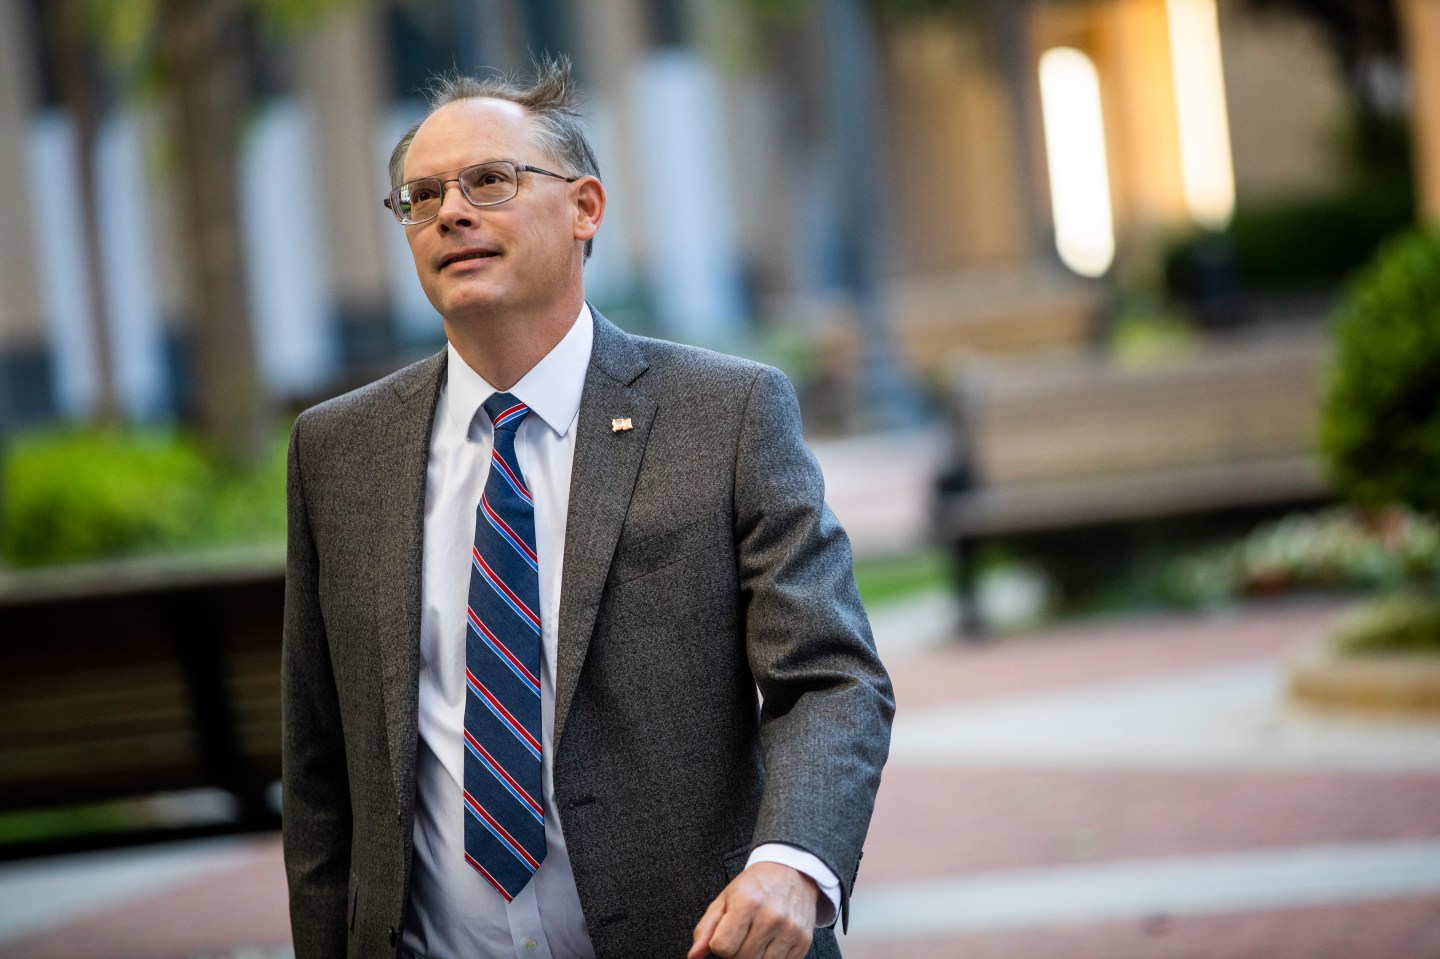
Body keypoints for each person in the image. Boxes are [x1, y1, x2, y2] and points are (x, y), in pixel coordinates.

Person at [281, 56, 893, 959]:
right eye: (420, 197)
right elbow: (320, 762)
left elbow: (832, 677)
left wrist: (793, 860)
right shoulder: (338, 450)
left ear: (585, 208)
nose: (450, 212)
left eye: (489, 181)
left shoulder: (725, 414)